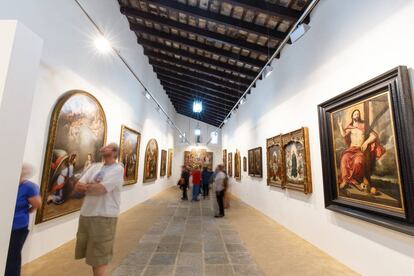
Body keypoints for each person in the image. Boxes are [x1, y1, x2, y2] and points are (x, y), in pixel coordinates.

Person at [74, 143, 124, 276]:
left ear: (114, 152)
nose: (103, 148)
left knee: (100, 255)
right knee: (92, 254)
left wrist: (90, 187)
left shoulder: (118, 169)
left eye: (107, 147)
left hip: (104, 216)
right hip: (87, 214)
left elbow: (101, 189)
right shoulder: (94, 167)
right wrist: (92, 187)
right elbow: (78, 185)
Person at [6, 163, 41, 276]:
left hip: (18, 227)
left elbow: (37, 204)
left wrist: (28, 211)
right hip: (5, 226)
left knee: (13, 256)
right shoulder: (9, 184)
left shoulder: (29, 187)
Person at [337, 109, 385, 193]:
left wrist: (366, 142)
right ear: (352, 116)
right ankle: (345, 180)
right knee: (344, 159)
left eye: (358, 114)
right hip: (351, 149)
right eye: (355, 114)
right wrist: (340, 125)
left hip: (359, 150)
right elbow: (344, 135)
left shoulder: (364, 126)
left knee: (358, 162)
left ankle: (357, 180)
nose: (357, 115)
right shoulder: (350, 127)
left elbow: (373, 136)